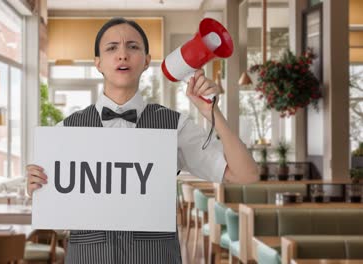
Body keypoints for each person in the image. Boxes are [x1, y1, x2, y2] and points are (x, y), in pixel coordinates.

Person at [26, 17, 258, 264]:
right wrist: (36, 186)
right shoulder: (67, 130)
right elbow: (53, 205)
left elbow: (245, 175)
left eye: (133, 47)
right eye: (112, 47)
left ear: (147, 61)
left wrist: (212, 112)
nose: (122, 55)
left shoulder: (174, 126)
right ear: (98, 63)